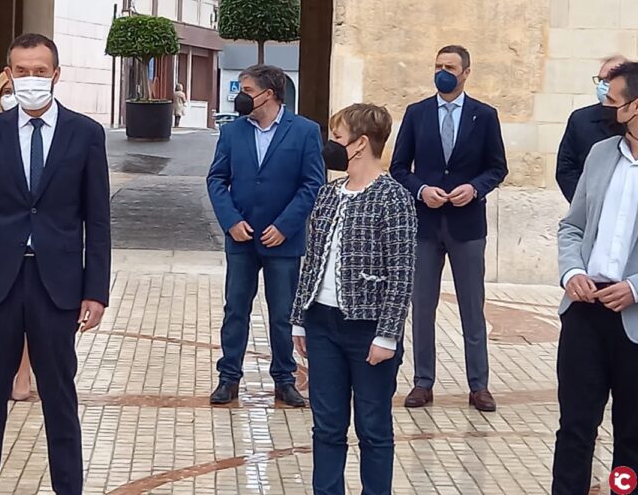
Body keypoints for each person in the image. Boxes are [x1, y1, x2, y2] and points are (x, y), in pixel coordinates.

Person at [0, 33, 111, 495]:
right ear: (9, 74)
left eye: (41, 71)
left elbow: (97, 221)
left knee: (59, 397)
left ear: (56, 75)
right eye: (22, 71)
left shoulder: (85, 134)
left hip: (56, 285)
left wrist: (95, 291)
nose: (32, 79)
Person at [292, 103, 416, 495]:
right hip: (322, 322)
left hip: (368, 330)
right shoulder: (329, 193)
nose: (332, 145)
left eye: (338, 137)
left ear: (361, 144)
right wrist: (299, 318)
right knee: (326, 425)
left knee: (373, 426)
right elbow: (311, 260)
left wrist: (388, 335)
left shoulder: (393, 198)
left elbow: (402, 273)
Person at [391, 45, 507, 413]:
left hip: (467, 225)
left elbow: (497, 167)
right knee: (422, 307)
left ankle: (479, 385)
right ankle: (422, 382)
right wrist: (422, 190)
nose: (443, 72)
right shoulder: (417, 113)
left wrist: (474, 188)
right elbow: (398, 167)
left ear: (466, 73)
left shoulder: (484, 116)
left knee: (472, 307)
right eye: (438, 65)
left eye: (450, 67)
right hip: (424, 225)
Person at [206, 64, 325, 407]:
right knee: (235, 310)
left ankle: (284, 380)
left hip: (283, 241)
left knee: (282, 313)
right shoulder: (232, 132)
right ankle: (228, 378)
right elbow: (216, 179)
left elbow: (312, 184)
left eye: (246, 90)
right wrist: (230, 220)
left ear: (268, 94)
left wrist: (285, 225)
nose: (240, 97)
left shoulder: (304, 132)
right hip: (241, 239)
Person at [552, 60, 638, 495]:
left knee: (632, 440)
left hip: (634, 321)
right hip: (584, 311)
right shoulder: (601, 154)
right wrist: (572, 271)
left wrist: (636, 287)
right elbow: (572, 227)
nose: (604, 104)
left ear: (636, 107)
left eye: (613, 99)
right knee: (575, 430)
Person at [0, 71, 33, 402]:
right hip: (0, 256)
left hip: (45, 258)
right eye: (4, 89)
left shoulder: (75, 133)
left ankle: (27, 371)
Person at [556, 54, 629, 203]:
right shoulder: (581, 119)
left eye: (608, 79)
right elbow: (566, 168)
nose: (603, 85)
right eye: (601, 79)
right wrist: (584, 204)